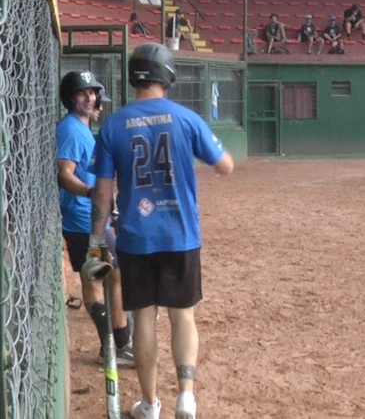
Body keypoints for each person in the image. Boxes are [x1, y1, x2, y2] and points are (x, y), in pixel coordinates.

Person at [86, 43, 234, 419]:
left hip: (136, 237)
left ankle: (150, 404)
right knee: (183, 315)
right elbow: (225, 166)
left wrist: (96, 241)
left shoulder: (114, 124)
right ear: (167, 76)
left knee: (145, 317)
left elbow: (103, 191)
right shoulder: (185, 118)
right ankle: (186, 396)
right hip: (180, 233)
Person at [55, 71, 134, 368]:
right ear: (70, 98)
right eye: (82, 93)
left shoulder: (82, 128)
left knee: (112, 273)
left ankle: (118, 343)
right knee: (98, 275)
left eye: (92, 93)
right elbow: (64, 174)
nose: (89, 98)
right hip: (81, 218)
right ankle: (113, 345)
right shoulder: (71, 130)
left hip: (92, 216)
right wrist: (92, 193)